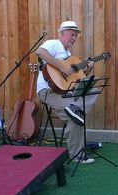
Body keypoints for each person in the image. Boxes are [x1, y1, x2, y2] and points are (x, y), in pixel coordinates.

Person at [36, 21, 97, 164]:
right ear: (62, 33)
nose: (74, 38)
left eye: (75, 36)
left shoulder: (69, 55)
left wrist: (87, 69)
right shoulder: (53, 44)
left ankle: (75, 110)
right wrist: (62, 68)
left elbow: (76, 79)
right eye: (72, 34)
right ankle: (77, 155)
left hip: (65, 91)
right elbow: (39, 52)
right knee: (76, 115)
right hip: (48, 91)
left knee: (93, 90)